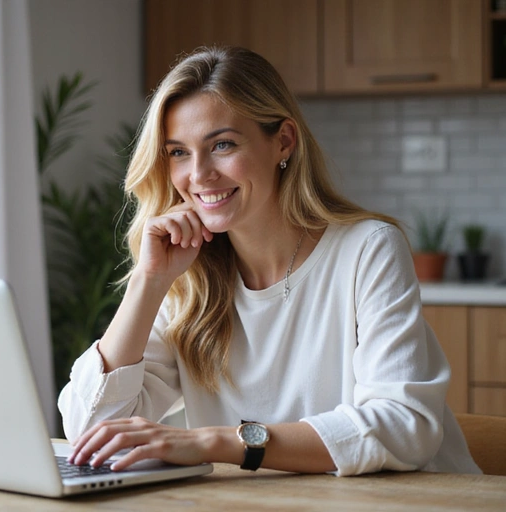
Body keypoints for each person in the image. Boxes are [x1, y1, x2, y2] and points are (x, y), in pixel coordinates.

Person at [58, 46, 480, 476]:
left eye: (221, 144)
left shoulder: (367, 250)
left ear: (283, 141)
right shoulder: (187, 276)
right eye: (178, 152)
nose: (199, 174)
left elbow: (403, 426)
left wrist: (213, 441)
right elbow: (90, 430)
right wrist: (148, 281)